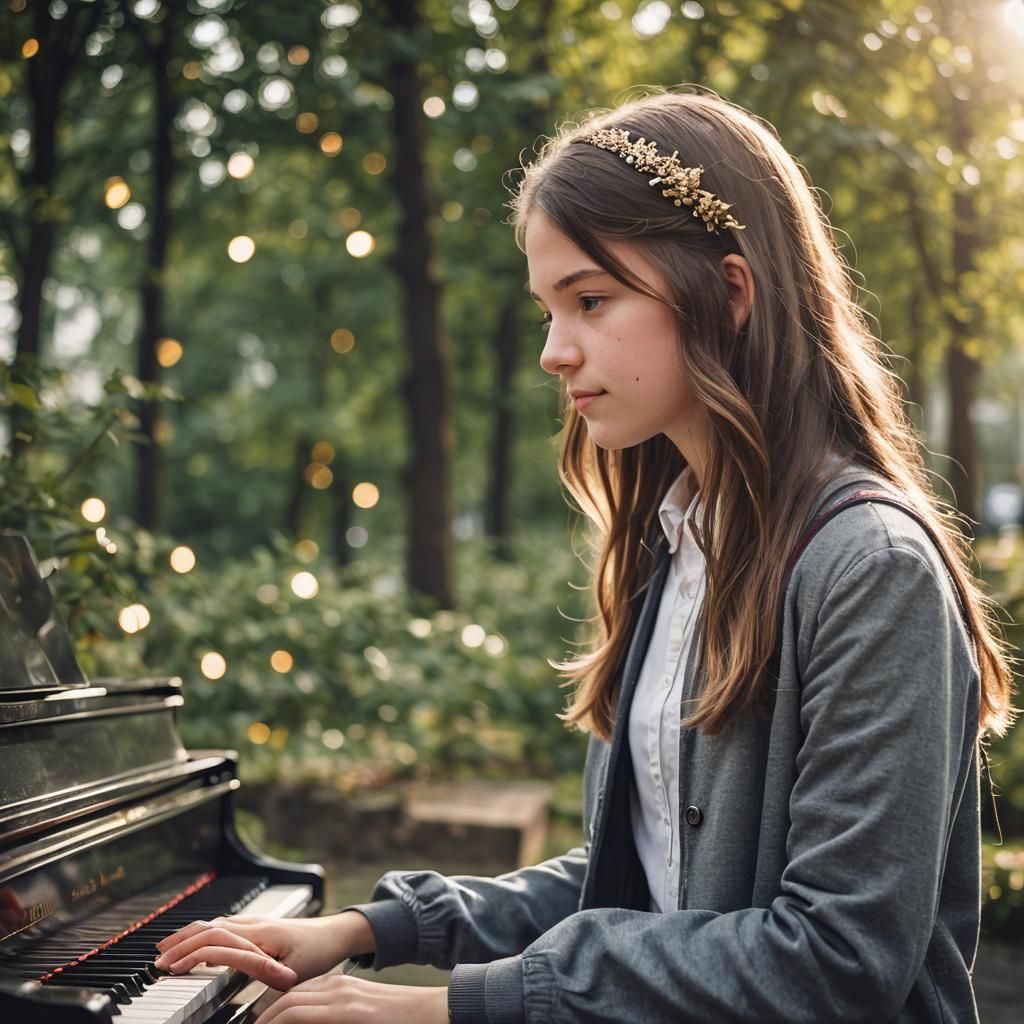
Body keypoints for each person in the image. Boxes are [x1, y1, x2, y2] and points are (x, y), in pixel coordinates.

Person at [153, 90, 1015, 1023]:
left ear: (729, 292)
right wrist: (375, 928)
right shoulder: (675, 546)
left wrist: (439, 1008)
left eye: (592, 301)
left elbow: (834, 962)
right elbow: (640, 882)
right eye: (547, 312)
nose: (554, 354)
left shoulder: (869, 570)